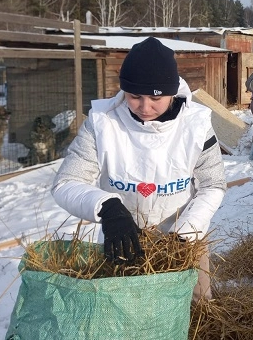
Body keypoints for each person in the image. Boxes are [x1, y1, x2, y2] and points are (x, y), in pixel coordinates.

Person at [51, 36, 227, 303]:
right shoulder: (102, 123)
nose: (145, 107)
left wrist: (185, 233)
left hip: (184, 240)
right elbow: (67, 182)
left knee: (196, 303)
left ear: (171, 90)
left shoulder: (196, 125)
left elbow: (213, 184)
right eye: (135, 96)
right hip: (125, 241)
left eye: (156, 97)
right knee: (128, 309)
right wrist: (109, 209)